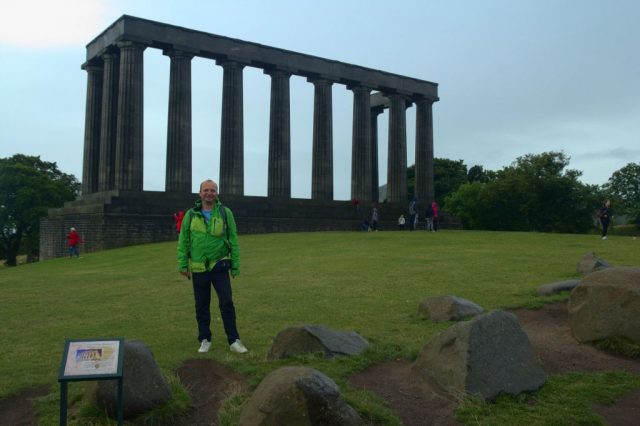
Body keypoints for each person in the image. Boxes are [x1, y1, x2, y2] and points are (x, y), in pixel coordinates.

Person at [177, 179, 248, 354]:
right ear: (200, 193)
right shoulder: (191, 215)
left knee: (226, 302)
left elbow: (233, 240)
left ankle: (234, 340)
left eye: (213, 190)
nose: (209, 193)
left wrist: (235, 265)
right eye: (206, 190)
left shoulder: (225, 212)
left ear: (217, 193)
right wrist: (183, 264)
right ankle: (205, 339)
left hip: (220, 266)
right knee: (201, 304)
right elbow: (183, 241)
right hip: (199, 268)